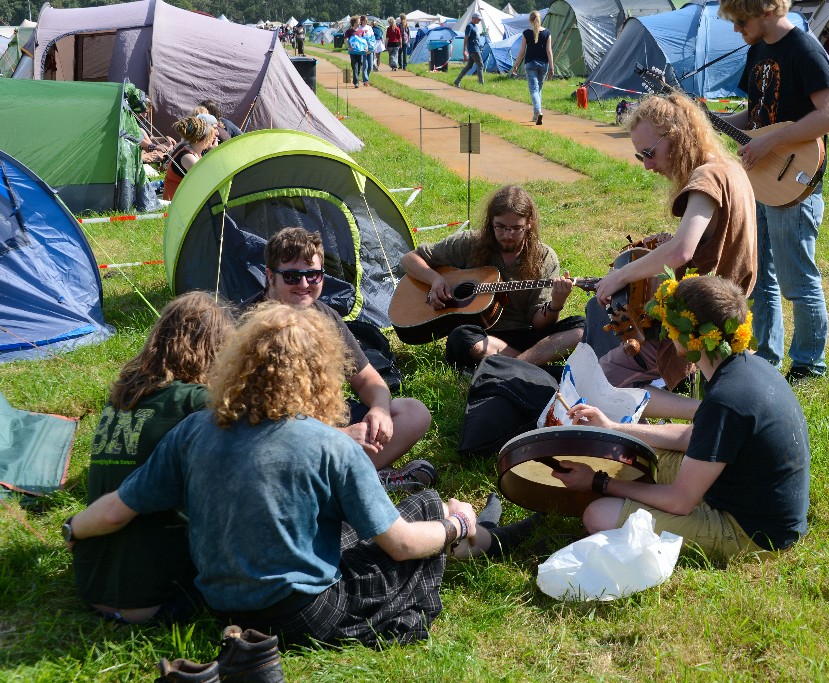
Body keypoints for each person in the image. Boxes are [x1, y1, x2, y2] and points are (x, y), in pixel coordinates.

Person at [63, 304, 539, 648]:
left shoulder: (194, 429)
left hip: (221, 606)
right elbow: (401, 545)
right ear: (320, 372)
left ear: (237, 362)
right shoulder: (331, 443)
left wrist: (72, 528)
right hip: (303, 615)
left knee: (355, 527)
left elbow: (115, 508)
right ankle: (477, 538)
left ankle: (476, 537)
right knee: (425, 506)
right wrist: (452, 522)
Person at [553, 275, 810, 564]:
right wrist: (613, 429)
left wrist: (598, 483)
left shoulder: (727, 398)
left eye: (669, 324)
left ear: (692, 335)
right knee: (625, 460)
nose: (665, 331)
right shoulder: (744, 367)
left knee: (598, 514)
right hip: (733, 488)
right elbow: (692, 437)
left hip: (750, 531)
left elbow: (680, 501)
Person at [71, 292, 235, 624]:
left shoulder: (121, 399)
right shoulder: (197, 402)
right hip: (153, 600)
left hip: (91, 588)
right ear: (214, 349)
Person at [591, 94, 757, 413]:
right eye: (641, 157)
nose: (649, 165)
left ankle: (699, 416)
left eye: (650, 153)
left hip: (700, 318)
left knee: (601, 382)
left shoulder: (706, 177)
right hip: (726, 311)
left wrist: (619, 276)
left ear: (678, 135)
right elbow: (712, 240)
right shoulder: (729, 168)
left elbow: (681, 252)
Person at [717, 0, 829, 382]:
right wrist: (708, 119)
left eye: (742, 20)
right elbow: (756, 117)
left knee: (798, 282)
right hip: (761, 181)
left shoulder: (803, 48)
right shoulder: (758, 50)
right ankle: (766, 357)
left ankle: (809, 365)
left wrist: (771, 143)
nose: (737, 29)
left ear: (769, 10)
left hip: (794, 182)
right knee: (760, 278)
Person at [252, 227, 433, 489]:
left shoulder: (326, 315)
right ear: (270, 276)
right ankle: (354, 481)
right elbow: (263, 419)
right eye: (291, 276)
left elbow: (367, 378)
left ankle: (344, 478)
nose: (304, 285)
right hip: (282, 435)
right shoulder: (251, 326)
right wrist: (340, 437)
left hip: (329, 418)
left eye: (312, 275)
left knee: (413, 412)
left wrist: (379, 409)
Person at [400, 185, 585, 370]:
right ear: (491, 222)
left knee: (583, 326)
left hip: (526, 337)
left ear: (529, 223)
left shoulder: (544, 257)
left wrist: (556, 304)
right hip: (482, 336)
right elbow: (410, 259)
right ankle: (532, 368)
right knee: (461, 337)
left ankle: (515, 367)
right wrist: (435, 279)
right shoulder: (471, 243)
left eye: (516, 228)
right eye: (501, 227)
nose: (507, 235)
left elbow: (539, 324)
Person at [511, 11, 554, 125]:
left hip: (530, 64)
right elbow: (549, 51)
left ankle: (538, 112)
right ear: (540, 19)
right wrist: (552, 68)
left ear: (530, 20)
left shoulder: (526, 33)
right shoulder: (547, 33)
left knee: (534, 90)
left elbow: (521, 52)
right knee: (538, 89)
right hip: (543, 64)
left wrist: (515, 66)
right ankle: (535, 115)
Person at [162, 115, 217, 200]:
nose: (214, 138)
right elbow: (206, 180)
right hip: (174, 203)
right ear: (203, 139)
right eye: (211, 136)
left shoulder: (194, 153)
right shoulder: (187, 157)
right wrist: (213, 154)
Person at [453, 12, 485, 88]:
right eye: (478, 19)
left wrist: (481, 34)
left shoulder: (475, 26)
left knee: (469, 66)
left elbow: (474, 36)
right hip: (473, 49)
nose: (479, 21)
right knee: (480, 65)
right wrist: (464, 50)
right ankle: (481, 84)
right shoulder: (469, 26)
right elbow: (466, 38)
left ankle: (457, 81)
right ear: (474, 18)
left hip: (475, 48)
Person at [344, 17, 365, 88]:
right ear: (354, 22)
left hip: (360, 52)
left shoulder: (361, 31)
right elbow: (346, 40)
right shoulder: (349, 31)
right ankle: (356, 82)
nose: (359, 23)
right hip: (353, 52)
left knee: (360, 66)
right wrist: (349, 47)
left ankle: (355, 79)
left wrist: (366, 47)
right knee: (354, 66)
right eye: (358, 22)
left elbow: (364, 41)